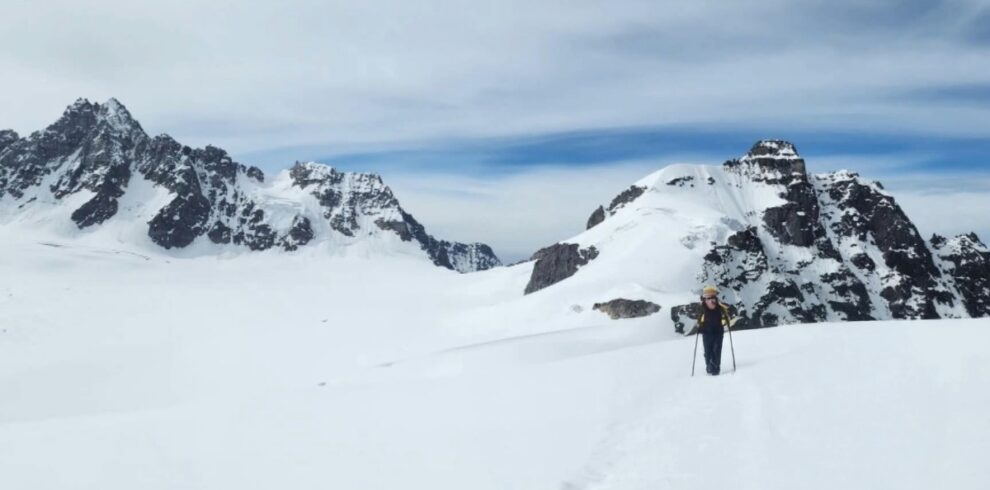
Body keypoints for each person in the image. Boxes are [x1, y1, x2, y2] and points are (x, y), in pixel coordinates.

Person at [691, 286, 732, 375]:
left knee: (712, 349)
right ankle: (712, 367)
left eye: (712, 297)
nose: (711, 300)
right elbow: (699, 319)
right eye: (709, 298)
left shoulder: (713, 307)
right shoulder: (709, 308)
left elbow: (699, 319)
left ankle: (713, 367)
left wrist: (700, 326)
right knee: (712, 350)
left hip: (712, 332)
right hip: (712, 332)